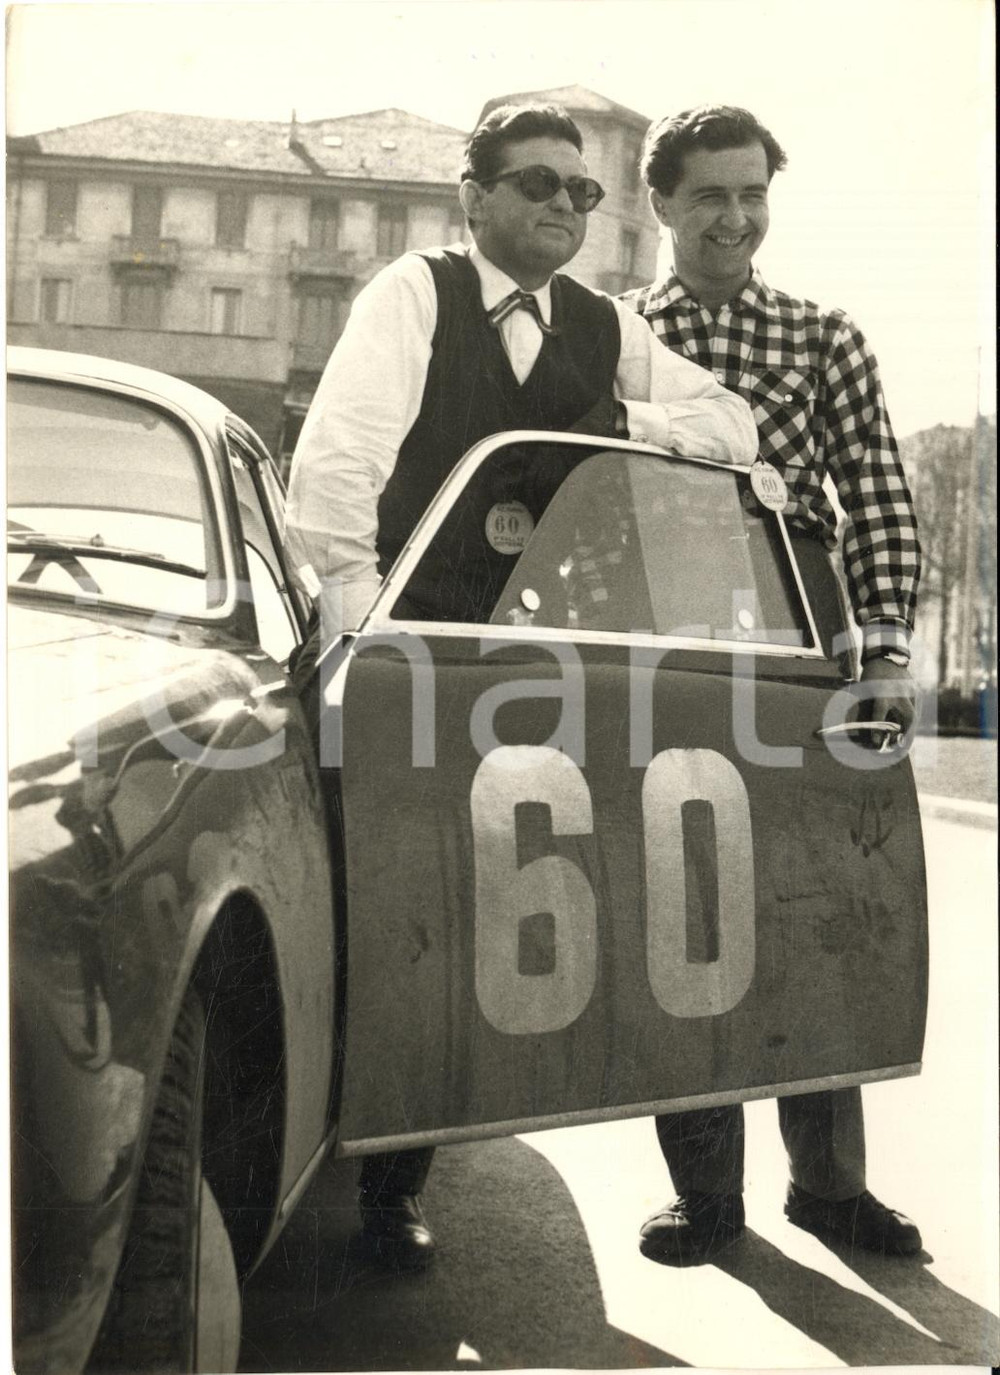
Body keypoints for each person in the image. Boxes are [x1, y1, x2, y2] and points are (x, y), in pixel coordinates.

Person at [284, 102, 757, 1273]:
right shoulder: (414, 293)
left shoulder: (600, 325)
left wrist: (623, 417)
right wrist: (363, 644)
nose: (561, 206)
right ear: (474, 195)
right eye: (537, 183)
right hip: (419, 652)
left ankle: (706, 1201)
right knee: (415, 910)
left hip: (560, 657)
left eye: (582, 193)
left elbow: (732, 424)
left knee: (602, 897)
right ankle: (388, 1189)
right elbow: (335, 475)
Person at [622, 104, 923, 1264]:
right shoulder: (609, 334)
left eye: (754, 195)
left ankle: (829, 1189)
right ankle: (706, 1198)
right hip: (660, 661)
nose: (736, 219)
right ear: (659, 204)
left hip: (803, 658)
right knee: (679, 917)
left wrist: (886, 653)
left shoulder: (821, 335)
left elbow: (882, 497)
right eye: (711, 196)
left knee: (820, 921)